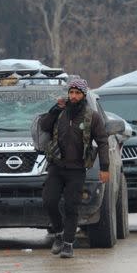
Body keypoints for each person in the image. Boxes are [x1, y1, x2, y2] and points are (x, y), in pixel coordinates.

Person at [41, 78, 110, 258]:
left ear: (83, 95)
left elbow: (102, 141)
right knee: (49, 200)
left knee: (72, 206)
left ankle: (68, 244)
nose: (73, 96)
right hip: (56, 167)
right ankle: (58, 233)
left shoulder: (91, 116)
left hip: (77, 170)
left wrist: (105, 167)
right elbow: (44, 126)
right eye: (71, 92)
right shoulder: (60, 112)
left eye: (77, 93)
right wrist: (54, 109)